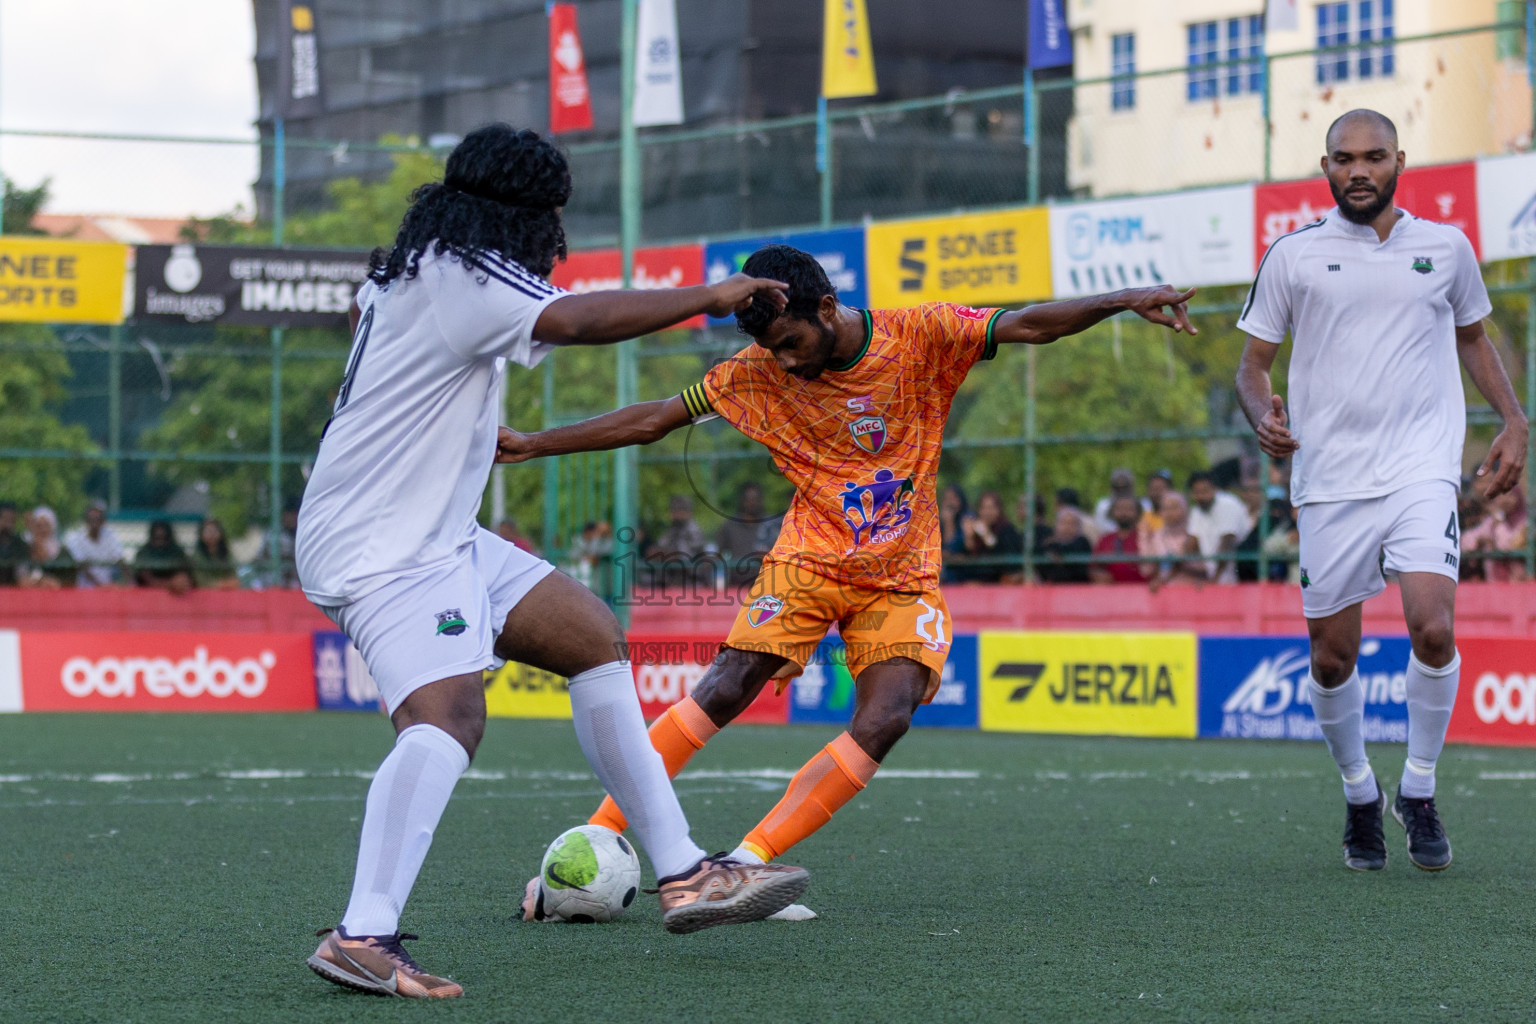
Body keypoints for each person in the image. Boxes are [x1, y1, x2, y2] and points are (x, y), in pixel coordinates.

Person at [499, 243, 1196, 917]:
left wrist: (1124, 299)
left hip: (902, 575)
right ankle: (593, 839)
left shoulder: (922, 334)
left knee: (886, 717)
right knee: (726, 685)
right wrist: (535, 443)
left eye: (792, 341)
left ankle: (743, 865)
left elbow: (1030, 323)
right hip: (808, 558)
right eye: (772, 348)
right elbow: (654, 419)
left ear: (827, 307)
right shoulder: (755, 371)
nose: (785, 360)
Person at [294, 125, 809, 999]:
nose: (559, 232)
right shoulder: (463, 271)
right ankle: (362, 933)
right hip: (387, 543)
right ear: (520, 212)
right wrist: (710, 293)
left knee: (588, 636)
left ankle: (686, 872)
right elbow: (575, 319)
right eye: (553, 214)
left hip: (432, 529)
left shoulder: (417, 269)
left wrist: (440, 424)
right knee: (448, 720)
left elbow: (404, 350)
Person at [1236, 109, 1527, 873]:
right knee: (1332, 659)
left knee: (1433, 628)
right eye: (1343, 159)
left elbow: (1472, 336)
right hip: (1329, 480)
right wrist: (1259, 410)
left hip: (1421, 467)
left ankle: (1420, 789)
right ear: (1324, 166)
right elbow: (1252, 363)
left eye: (1372, 157)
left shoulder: (1447, 247)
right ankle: (1361, 792)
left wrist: (1514, 420)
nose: (1358, 170)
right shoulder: (1293, 256)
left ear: (1400, 160)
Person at [1186, 470, 1252, 584]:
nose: (1201, 496)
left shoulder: (1228, 504)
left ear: (1214, 489)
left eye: (1205, 491)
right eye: (1197, 492)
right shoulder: (1197, 510)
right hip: (1216, 577)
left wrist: (1214, 580)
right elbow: (1190, 546)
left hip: (1240, 576)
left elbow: (1226, 544)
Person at [1460, 483, 1528, 582]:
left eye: (1510, 495)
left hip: (1519, 583)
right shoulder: (1491, 522)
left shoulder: (1525, 523)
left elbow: (1506, 546)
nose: (1504, 500)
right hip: (1493, 582)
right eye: (1500, 496)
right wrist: (1479, 541)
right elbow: (1466, 542)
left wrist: (1499, 521)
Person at [1144, 491, 1206, 592]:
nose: (1170, 513)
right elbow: (1150, 568)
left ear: (1185, 509)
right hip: (1165, 590)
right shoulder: (1157, 536)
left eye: (1174, 508)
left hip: (1194, 589)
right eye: (1165, 509)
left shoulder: (1194, 534)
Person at [958, 490, 1024, 583]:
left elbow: (1006, 562)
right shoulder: (975, 530)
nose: (987, 512)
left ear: (999, 510)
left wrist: (987, 536)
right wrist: (969, 538)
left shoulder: (1006, 529)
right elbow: (967, 561)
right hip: (977, 581)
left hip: (1000, 583)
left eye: (991, 508)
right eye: (983, 508)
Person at [717, 482, 774, 588]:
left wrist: (768, 555)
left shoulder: (771, 526)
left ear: (761, 501)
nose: (752, 503)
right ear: (742, 501)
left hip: (765, 586)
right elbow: (718, 555)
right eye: (749, 499)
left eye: (755, 499)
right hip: (735, 586)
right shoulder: (729, 526)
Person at [64, 502, 126, 587]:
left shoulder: (110, 537)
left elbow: (120, 559)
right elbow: (82, 566)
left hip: (108, 587)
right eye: (91, 519)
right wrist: (100, 586)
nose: (95, 523)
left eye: (98, 519)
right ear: (86, 520)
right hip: (85, 589)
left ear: (103, 521)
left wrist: (126, 583)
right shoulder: (76, 538)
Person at [1090, 495, 1147, 584]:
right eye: (1119, 509)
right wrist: (1099, 575)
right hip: (1110, 593)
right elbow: (1094, 567)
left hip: (1141, 591)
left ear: (1138, 512)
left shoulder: (1145, 538)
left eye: (1129, 509)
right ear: (1112, 513)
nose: (1124, 513)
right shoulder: (1105, 540)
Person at [20, 507, 76, 588]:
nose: (42, 529)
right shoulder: (26, 548)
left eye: (46, 525)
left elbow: (69, 579)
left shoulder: (62, 552)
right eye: (38, 525)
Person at [133, 520, 193, 594]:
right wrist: (169, 585)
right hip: (149, 596)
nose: (160, 542)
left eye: (164, 538)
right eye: (157, 538)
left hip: (176, 597)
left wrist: (177, 582)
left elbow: (183, 577)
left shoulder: (178, 552)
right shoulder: (143, 553)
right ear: (152, 538)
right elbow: (145, 578)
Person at [1035, 506, 1092, 584]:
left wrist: (1058, 554)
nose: (1067, 527)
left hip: (1077, 587)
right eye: (1063, 522)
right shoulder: (1048, 543)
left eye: (1072, 523)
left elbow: (1077, 562)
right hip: (1052, 589)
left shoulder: (1083, 542)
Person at [1092, 468, 1148, 536]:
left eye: (1124, 486)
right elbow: (1102, 528)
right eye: (1117, 486)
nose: (1121, 490)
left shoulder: (1144, 504)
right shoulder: (1103, 505)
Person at [192, 518, 240, 589]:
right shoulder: (196, 557)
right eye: (208, 531)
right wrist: (222, 585)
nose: (212, 534)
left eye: (215, 531)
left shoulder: (227, 554)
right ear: (201, 535)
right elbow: (200, 581)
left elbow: (234, 576)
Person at [0, 503, 29, 586]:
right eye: (5, 520)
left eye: (12, 521)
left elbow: (22, 574)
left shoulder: (20, 545)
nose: (8, 525)